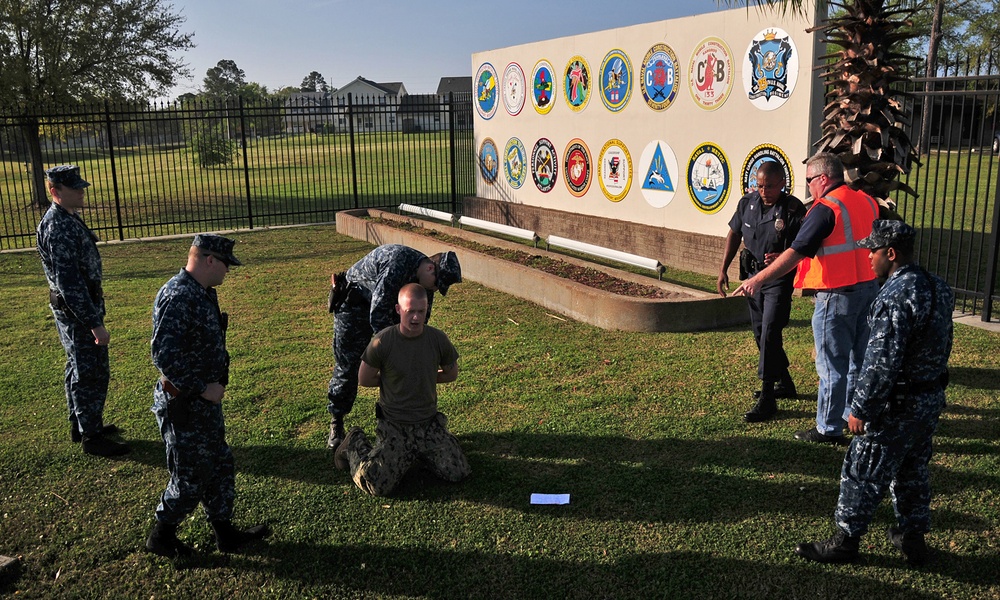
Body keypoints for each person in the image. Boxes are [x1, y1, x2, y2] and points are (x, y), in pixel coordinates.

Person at [795, 220, 954, 565]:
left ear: (891, 253)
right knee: (913, 469)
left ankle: (845, 542)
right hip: (928, 399)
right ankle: (912, 539)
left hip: (897, 404)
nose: (868, 256)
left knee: (862, 468)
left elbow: (881, 362)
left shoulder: (894, 297)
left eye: (873, 250)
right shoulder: (938, 287)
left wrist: (861, 409)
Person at [735, 153, 880, 445]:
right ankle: (849, 415)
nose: (809, 187)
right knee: (857, 361)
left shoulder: (825, 208)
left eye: (810, 181)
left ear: (823, 179)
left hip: (837, 296)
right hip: (868, 290)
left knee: (831, 366)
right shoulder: (866, 200)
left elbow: (797, 252)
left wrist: (757, 279)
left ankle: (827, 428)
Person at [145, 234, 269, 558]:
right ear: (209, 260)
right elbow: (163, 355)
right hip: (184, 403)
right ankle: (161, 536)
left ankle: (223, 531)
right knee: (190, 476)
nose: (228, 270)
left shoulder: (202, 292)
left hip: (204, 403)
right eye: (226, 264)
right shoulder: (178, 295)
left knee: (218, 465)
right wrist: (201, 386)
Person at [333, 283, 471, 496]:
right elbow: (364, 378)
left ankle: (421, 453)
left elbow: (451, 373)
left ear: (427, 310)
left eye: (421, 312)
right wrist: (395, 380)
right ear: (398, 310)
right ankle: (354, 442)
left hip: (427, 422)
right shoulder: (383, 341)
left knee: (458, 472)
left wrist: (419, 377)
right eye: (410, 311)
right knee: (376, 485)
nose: (416, 318)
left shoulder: (437, 339)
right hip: (395, 424)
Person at [326, 244, 462, 450]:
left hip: (383, 307)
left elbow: (421, 324)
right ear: (430, 268)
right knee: (348, 366)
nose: (434, 290)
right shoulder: (397, 261)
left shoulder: (424, 283)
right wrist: (394, 353)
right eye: (436, 284)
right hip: (353, 307)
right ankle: (337, 422)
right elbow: (378, 313)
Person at [35, 165, 129, 457]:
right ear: (55, 191)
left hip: (78, 308)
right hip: (78, 312)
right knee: (90, 372)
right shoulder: (58, 227)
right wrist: (94, 323)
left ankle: (82, 424)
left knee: (76, 365)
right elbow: (70, 282)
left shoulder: (67, 218)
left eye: (81, 186)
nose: (81, 191)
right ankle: (92, 436)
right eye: (74, 187)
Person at [718, 161, 805, 422]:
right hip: (752, 277)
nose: (763, 190)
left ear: (782, 184)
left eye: (769, 186)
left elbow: (803, 245)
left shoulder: (793, 208)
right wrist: (723, 269)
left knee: (769, 331)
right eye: (759, 185)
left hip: (778, 278)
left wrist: (784, 256)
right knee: (760, 333)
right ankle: (785, 382)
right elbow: (734, 233)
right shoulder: (747, 203)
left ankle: (768, 397)